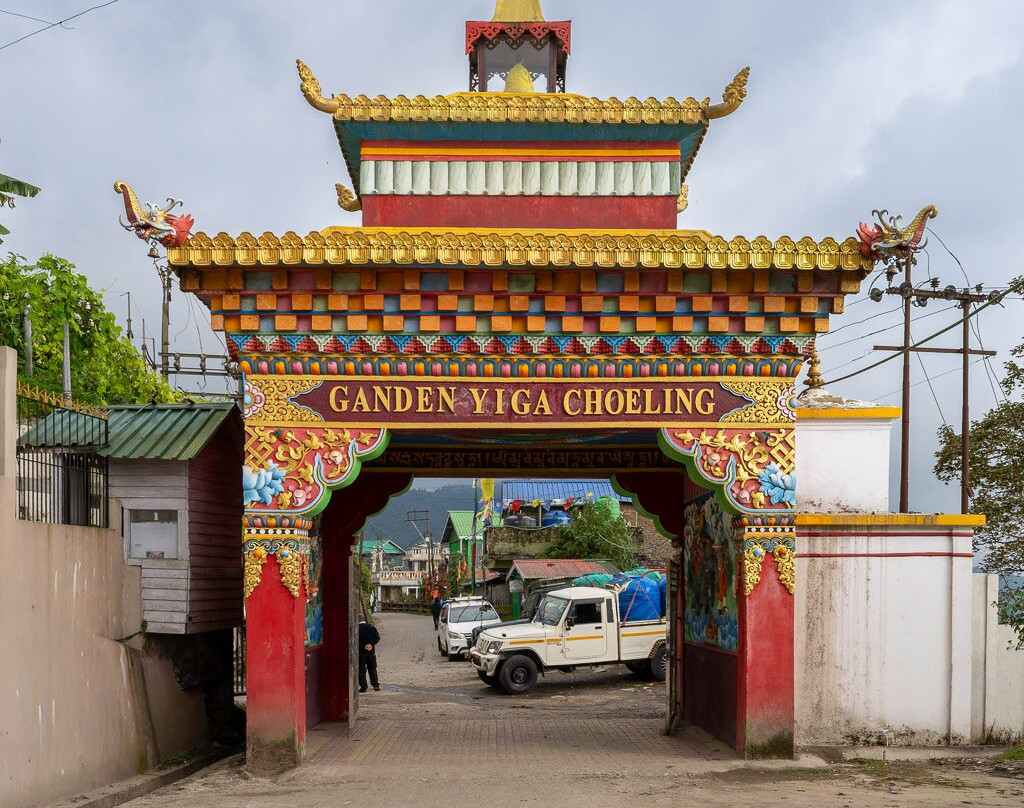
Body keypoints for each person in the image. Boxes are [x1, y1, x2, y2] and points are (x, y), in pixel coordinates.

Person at [358, 619, 381, 693]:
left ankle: (363, 687)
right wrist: (371, 644)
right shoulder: (372, 627)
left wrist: (363, 646)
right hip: (371, 652)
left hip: (361, 652)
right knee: (372, 669)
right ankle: (375, 685)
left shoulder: (357, 628)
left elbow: (355, 641)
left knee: (361, 670)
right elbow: (377, 638)